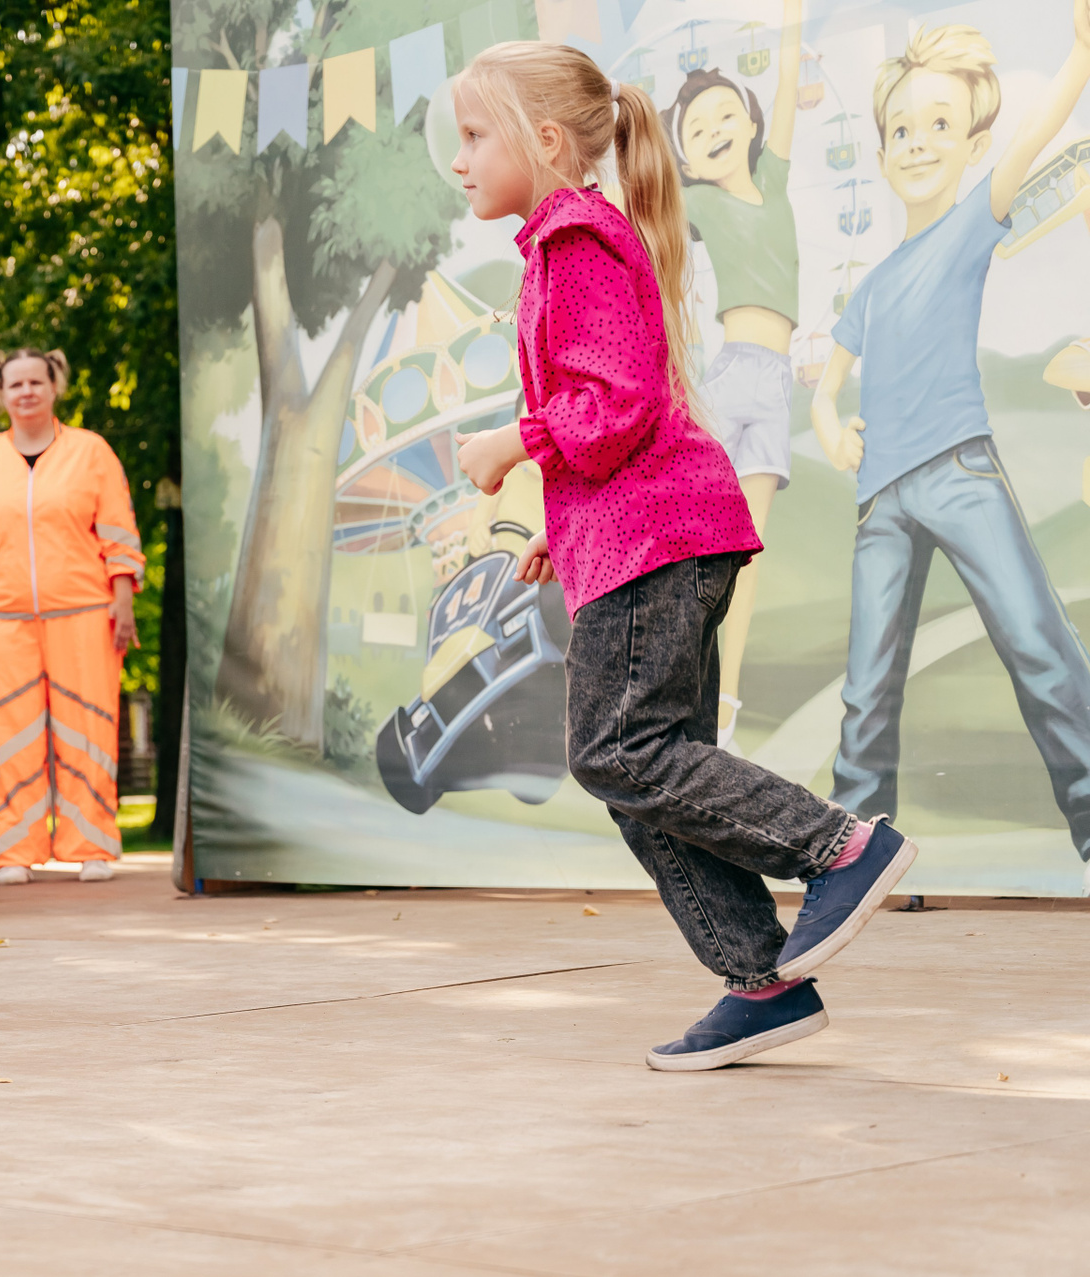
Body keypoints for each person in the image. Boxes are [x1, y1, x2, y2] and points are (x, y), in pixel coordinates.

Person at [449, 41, 917, 1071]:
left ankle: (839, 846)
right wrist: (560, 523)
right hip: (642, 535)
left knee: (619, 750)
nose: (460, 157)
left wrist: (511, 441)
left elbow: (617, 402)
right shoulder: (560, 245)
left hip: (657, 542)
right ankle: (760, 980)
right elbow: (616, 414)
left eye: (475, 134)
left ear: (547, 140)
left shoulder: (577, 238)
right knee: (646, 772)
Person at [810, 15, 1090, 867]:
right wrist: (831, 427)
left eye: (940, 125)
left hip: (960, 470)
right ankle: (855, 859)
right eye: (901, 130)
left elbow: (1038, 131)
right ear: (881, 151)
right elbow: (827, 384)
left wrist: (1082, 52)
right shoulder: (873, 284)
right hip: (881, 501)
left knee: (1037, 644)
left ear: (973, 146)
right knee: (866, 690)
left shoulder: (973, 220)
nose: (918, 143)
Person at [0, 349, 144, 885]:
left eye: (37, 381)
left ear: (55, 386)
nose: (27, 391)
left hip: (85, 613)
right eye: (16, 384)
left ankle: (91, 846)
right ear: (0, 393)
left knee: (90, 727)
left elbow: (119, 532)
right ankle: (13, 851)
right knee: (4, 732)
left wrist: (123, 599)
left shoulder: (92, 452)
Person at [665, 0, 804, 751]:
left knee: (746, 556)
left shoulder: (773, 178)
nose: (715, 129)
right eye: (696, 129)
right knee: (695, 542)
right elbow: (642, 198)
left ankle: (722, 710)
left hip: (775, 387)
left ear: (749, 125)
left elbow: (785, 82)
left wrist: (792, 20)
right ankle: (671, 683)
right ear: (686, 159)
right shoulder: (699, 200)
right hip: (729, 379)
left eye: (725, 115)